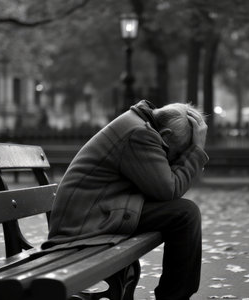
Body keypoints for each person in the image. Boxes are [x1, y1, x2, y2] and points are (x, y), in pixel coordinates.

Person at [42, 99, 208, 300]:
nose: (175, 161)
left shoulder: (139, 126)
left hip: (95, 213)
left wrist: (189, 153)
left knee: (184, 213)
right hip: (85, 222)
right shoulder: (140, 134)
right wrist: (197, 152)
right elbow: (169, 189)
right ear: (166, 136)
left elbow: (161, 189)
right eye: (178, 154)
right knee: (185, 214)